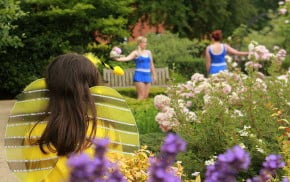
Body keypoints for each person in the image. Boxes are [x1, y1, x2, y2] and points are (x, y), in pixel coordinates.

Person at [4, 53, 139, 182]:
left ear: (49, 89)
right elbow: (118, 172)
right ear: (94, 90)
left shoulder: (35, 133)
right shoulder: (106, 130)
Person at [114, 36, 157, 100]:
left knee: (145, 97)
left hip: (147, 75)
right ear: (139, 43)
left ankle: (143, 110)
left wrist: (154, 75)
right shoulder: (136, 52)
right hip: (139, 76)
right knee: (141, 96)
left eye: (146, 42)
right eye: (144, 42)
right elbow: (127, 58)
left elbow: (151, 64)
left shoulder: (148, 52)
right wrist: (117, 59)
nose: (145, 44)